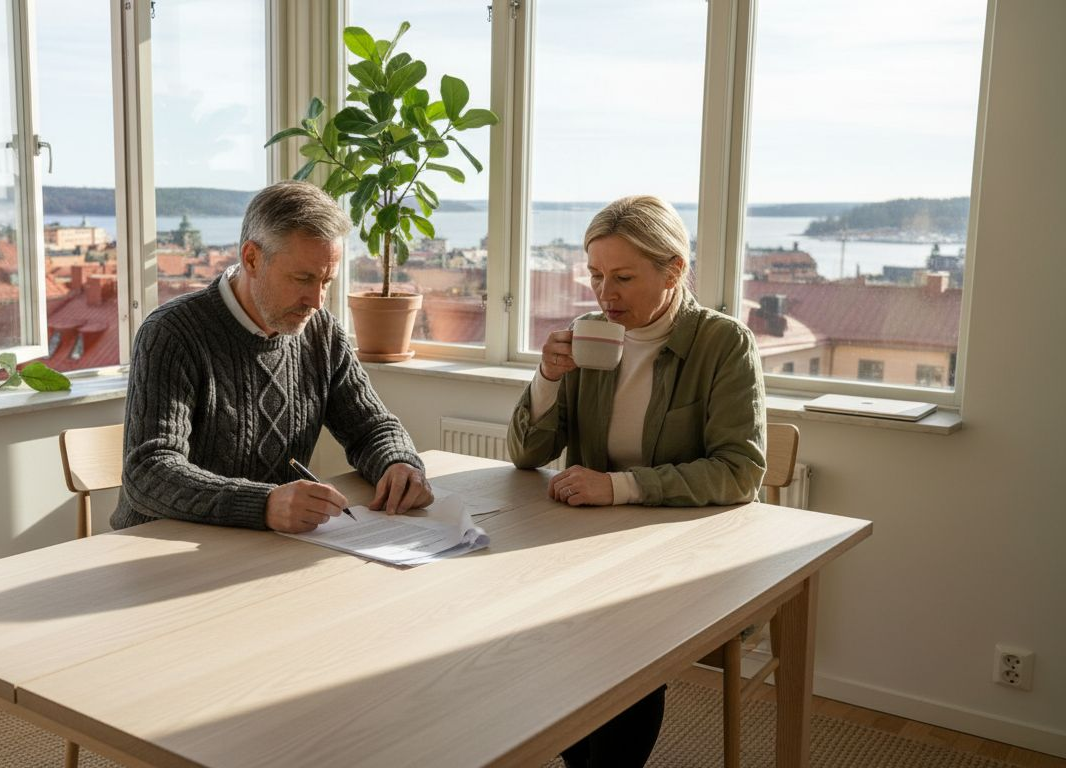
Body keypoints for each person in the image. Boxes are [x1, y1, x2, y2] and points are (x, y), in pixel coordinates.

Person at [508, 194, 766, 767]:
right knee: (529, 621)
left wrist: (619, 487)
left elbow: (740, 472)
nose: (605, 294)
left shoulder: (722, 344)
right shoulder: (589, 332)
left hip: (678, 551)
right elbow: (527, 454)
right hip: (589, 543)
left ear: (673, 269)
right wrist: (547, 376)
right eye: (596, 276)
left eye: (622, 277)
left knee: (621, 639)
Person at [112, 180, 432, 534]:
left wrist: (398, 462)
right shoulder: (172, 333)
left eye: (327, 281)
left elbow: (371, 428)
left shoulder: (321, 333)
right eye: (303, 278)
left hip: (267, 546)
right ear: (252, 258)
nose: (317, 301)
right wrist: (263, 504)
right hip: (157, 549)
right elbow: (149, 471)